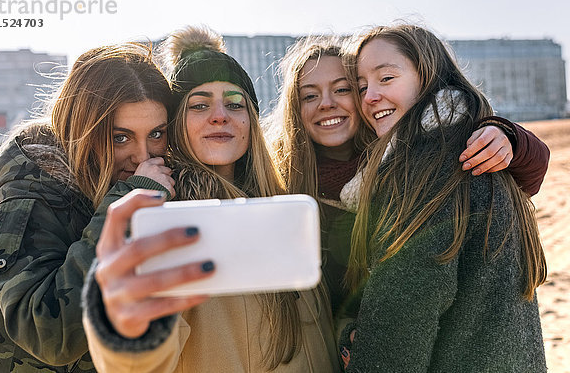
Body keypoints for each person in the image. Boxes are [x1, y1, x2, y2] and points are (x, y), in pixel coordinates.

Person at [81, 26, 340, 373]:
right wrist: (128, 335)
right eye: (200, 105)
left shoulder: (288, 204)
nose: (220, 115)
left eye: (235, 104)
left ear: (251, 121)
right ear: (175, 124)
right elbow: (139, 360)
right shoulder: (168, 224)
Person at [264, 36, 549, 325]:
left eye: (343, 89)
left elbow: (524, 175)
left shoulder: (402, 161)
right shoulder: (279, 179)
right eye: (309, 95)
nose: (326, 103)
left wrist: (508, 137)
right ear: (293, 108)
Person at [339, 24, 547, 371]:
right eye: (362, 87)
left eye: (386, 78)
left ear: (429, 76)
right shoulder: (471, 148)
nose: (369, 97)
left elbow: (404, 317)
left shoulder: (426, 172)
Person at [0, 43, 176, 372]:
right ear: (82, 130)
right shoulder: (25, 198)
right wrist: (124, 208)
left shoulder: (118, 180)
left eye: (156, 134)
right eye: (119, 137)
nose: (144, 155)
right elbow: (47, 333)